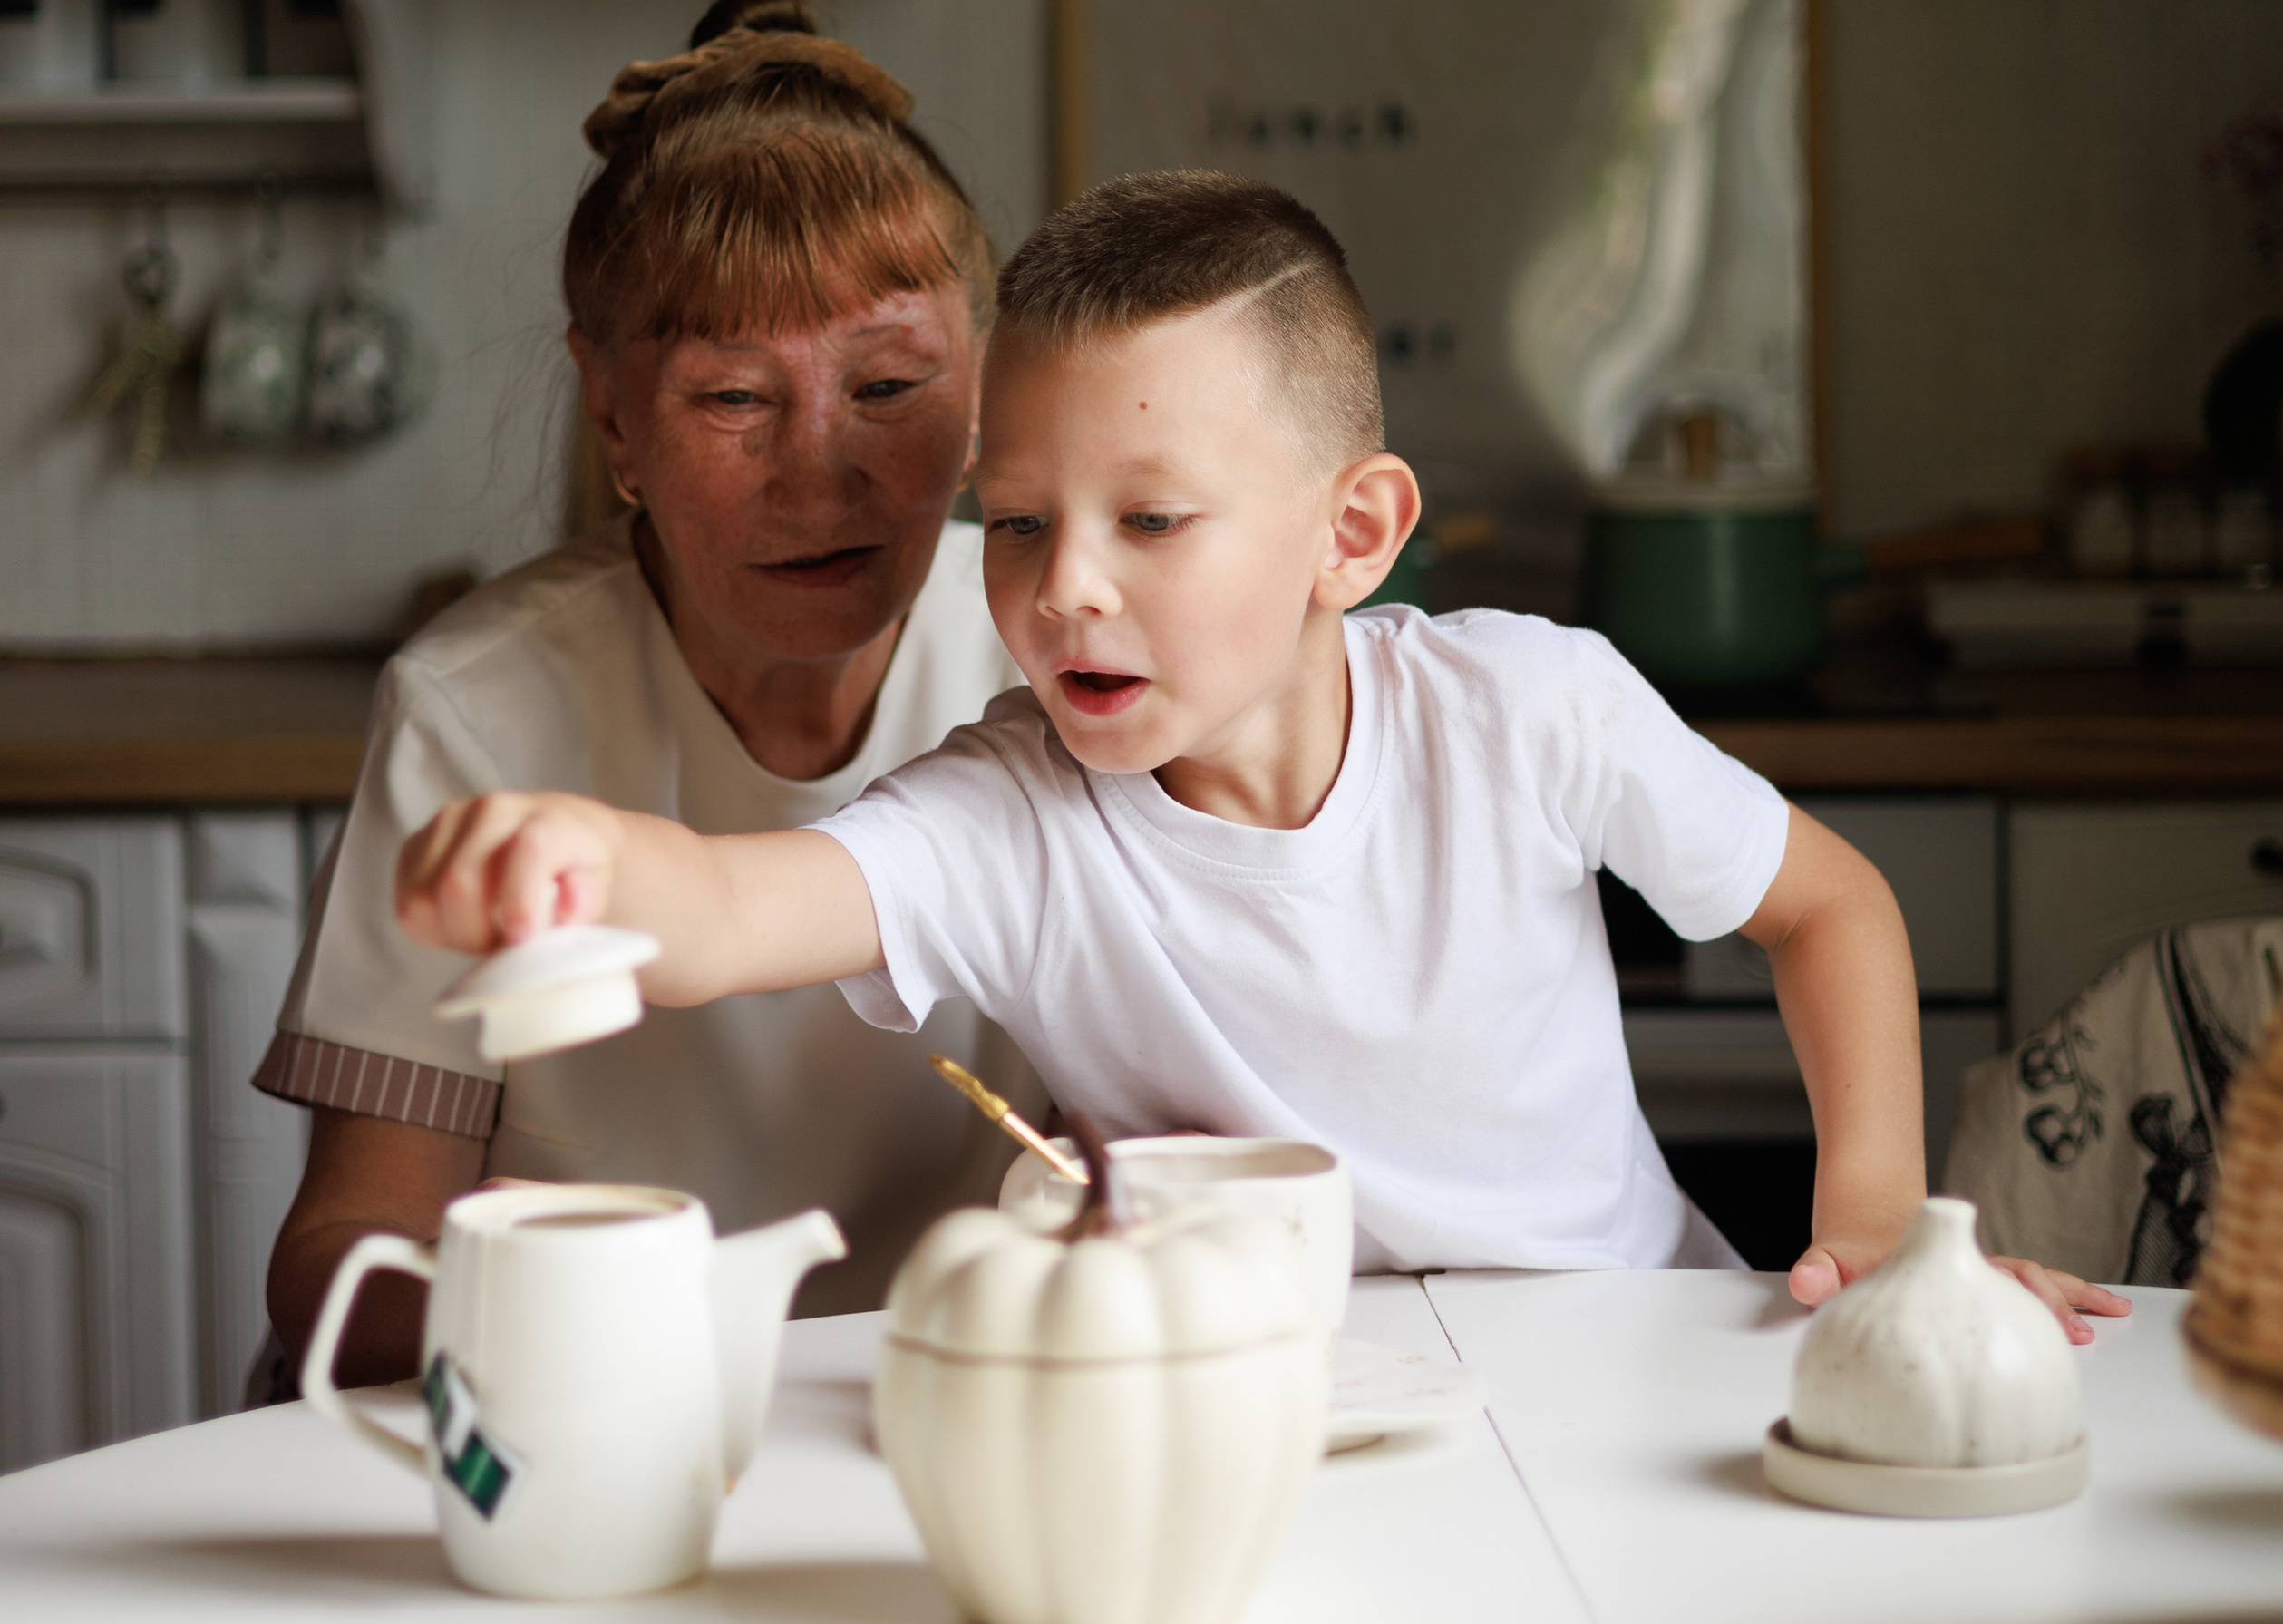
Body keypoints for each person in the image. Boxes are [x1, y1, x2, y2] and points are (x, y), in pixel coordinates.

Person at [393, 171, 2127, 1334]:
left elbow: (1830, 908)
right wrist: (571, 864)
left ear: (1351, 535)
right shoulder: (1017, 813)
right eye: (1015, 525)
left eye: (1152, 520)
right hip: (1275, 1403)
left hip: (1628, 1354)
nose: (1064, 590)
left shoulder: (1528, 707)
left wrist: (1880, 1202)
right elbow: (724, 905)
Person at [263, 0, 1035, 1387]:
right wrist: (584, 1335)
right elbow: (347, 1258)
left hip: (937, 1419)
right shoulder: (478, 711)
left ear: (980, 389)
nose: (821, 472)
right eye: (734, 398)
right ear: (613, 413)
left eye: (887, 387)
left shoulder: (1058, 666)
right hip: (587, 1416)